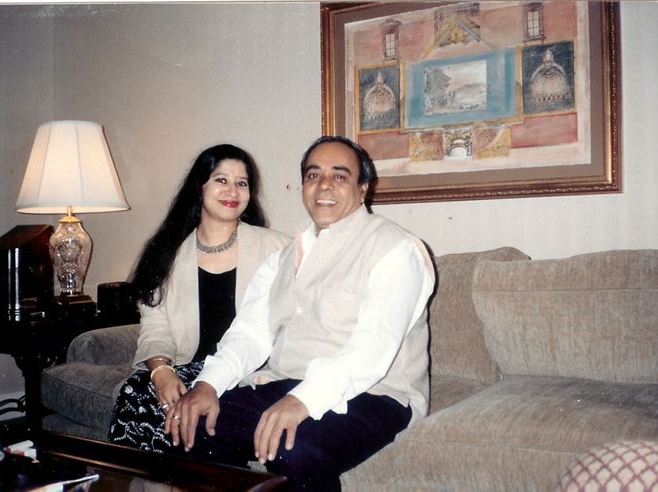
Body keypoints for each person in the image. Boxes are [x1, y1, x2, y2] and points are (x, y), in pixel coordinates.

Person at [165, 136, 435, 490]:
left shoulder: (396, 249)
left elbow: (370, 353)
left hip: (378, 394)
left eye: (339, 176)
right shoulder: (283, 257)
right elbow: (250, 333)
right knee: (191, 427)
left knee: (292, 447)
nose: (324, 185)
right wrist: (207, 385)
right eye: (313, 175)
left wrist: (301, 401)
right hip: (287, 382)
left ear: (363, 188)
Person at [108, 144, 289, 452]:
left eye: (241, 183)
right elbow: (155, 328)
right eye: (221, 180)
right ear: (199, 186)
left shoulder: (277, 248)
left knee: (186, 417)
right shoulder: (167, 252)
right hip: (186, 368)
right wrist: (161, 372)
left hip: (244, 373)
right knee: (135, 394)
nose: (232, 190)